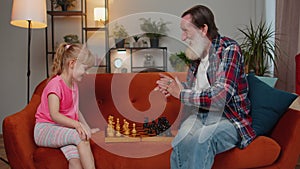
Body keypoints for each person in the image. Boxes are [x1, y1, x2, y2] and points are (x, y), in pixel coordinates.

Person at [155, 5, 256, 169]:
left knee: (201, 139)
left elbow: (220, 96)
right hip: (199, 116)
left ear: (203, 29)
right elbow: (199, 90)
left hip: (229, 119)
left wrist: (181, 94)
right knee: (181, 139)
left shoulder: (229, 49)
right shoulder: (196, 56)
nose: (182, 37)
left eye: (186, 31)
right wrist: (174, 87)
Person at [34, 42, 99, 169]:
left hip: (62, 129)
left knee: (76, 161)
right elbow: (54, 114)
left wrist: (86, 127)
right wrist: (77, 125)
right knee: (81, 138)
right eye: (85, 68)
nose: (86, 73)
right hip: (45, 129)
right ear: (72, 64)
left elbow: (76, 111)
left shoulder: (74, 85)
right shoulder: (55, 84)